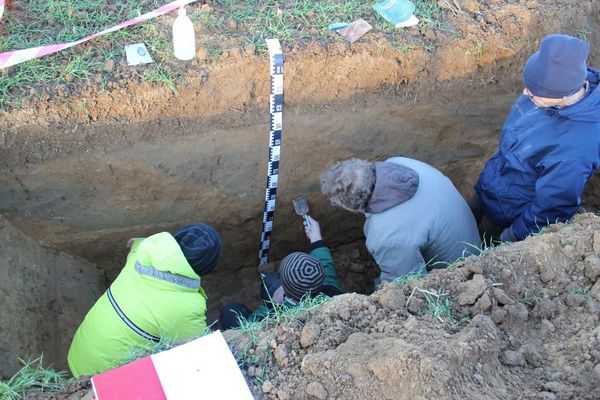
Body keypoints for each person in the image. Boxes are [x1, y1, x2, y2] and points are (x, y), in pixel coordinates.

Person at [473, 34, 600, 242]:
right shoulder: (546, 91)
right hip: (492, 182)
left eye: (533, 93)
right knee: (466, 214)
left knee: (477, 242)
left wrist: (513, 235)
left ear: (563, 96)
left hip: (510, 210)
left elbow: (553, 206)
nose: (525, 93)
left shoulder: (576, 148)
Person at [67, 224, 221, 377]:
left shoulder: (140, 255)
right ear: (206, 269)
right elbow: (199, 349)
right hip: (102, 376)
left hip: (80, 350)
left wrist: (138, 242)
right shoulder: (188, 309)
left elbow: (142, 246)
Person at [320, 157, 480, 285]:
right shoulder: (398, 163)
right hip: (468, 238)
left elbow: (407, 285)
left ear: (355, 207)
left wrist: (378, 292)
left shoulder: (388, 237)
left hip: (464, 276)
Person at [220, 216, 342, 330]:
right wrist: (316, 237)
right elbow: (325, 263)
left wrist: (274, 305)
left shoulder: (274, 319)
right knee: (270, 283)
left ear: (284, 287)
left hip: (278, 309)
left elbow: (251, 328)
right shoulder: (331, 291)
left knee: (230, 312)